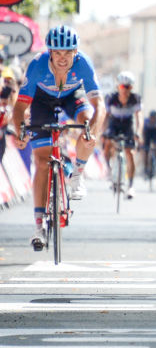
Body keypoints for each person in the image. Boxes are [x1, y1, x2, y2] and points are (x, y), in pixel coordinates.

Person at [13, 25, 105, 251]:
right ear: (50, 53)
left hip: (73, 96)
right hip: (42, 101)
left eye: (67, 53)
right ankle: (39, 226)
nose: (62, 58)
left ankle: (78, 175)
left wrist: (92, 130)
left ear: (76, 52)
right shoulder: (36, 66)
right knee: (42, 162)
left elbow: (99, 105)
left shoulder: (83, 64)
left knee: (86, 123)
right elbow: (20, 107)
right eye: (57, 53)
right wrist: (20, 132)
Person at [102, 71, 143, 199]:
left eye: (128, 87)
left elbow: (139, 117)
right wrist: (103, 132)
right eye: (122, 87)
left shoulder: (135, 99)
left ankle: (130, 186)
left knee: (129, 153)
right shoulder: (110, 98)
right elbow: (105, 117)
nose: (124, 90)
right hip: (114, 123)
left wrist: (138, 132)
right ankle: (109, 170)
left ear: (131, 88)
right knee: (108, 143)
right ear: (117, 87)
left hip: (127, 124)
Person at [142, 110, 156, 179]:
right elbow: (143, 132)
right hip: (147, 134)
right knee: (145, 151)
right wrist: (143, 142)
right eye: (152, 117)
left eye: (154, 117)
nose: (153, 119)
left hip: (155, 134)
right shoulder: (146, 121)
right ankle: (145, 168)